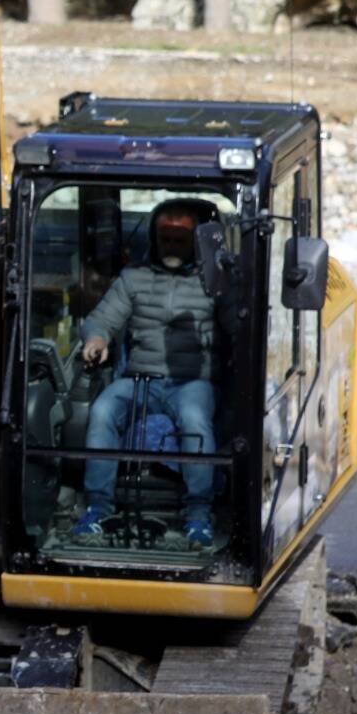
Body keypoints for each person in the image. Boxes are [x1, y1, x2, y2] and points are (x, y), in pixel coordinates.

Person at [73, 198, 221, 546]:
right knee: (103, 410)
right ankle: (97, 508)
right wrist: (97, 339)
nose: (170, 246)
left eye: (178, 240)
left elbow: (239, 326)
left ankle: (199, 513)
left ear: (196, 241)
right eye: (164, 238)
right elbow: (103, 317)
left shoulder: (214, 283)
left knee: (195, 418)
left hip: (192, 381)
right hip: (140, 379)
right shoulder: (134, 277)